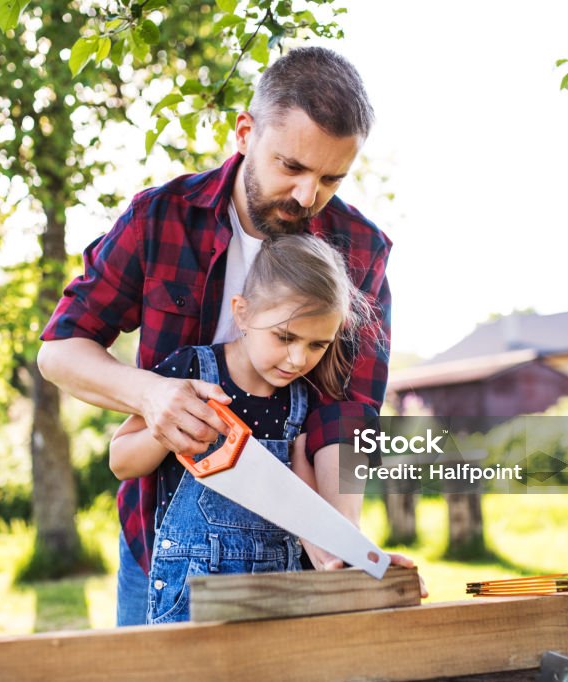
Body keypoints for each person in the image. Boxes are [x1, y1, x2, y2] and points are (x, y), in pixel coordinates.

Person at [38, 46, 422, 626]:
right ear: (245, 132)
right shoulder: (160, 217)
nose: (306, 196)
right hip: (161, 549)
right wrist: (151, 397)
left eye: (331, 179)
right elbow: (60, 351)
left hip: (288, 556)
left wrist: (335, 539)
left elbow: (346, 410)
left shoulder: (361, 249)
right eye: (291, 167)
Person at [108, 234, 372, 624]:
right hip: (191, 596)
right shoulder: (190, 372)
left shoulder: (302, 398)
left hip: (276, 599)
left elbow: (304, 504)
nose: (298, 358)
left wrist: (350, 556)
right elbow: (120, 461)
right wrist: (169, 430)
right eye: (285, 337)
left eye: (318, 345)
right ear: (243, 313)